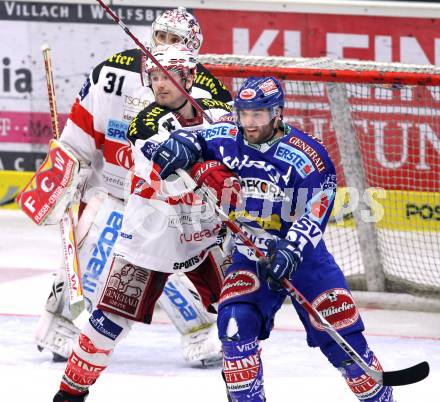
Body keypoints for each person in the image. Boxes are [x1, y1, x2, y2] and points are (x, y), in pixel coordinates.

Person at [151, 76, 395, 402]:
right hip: (250, 254)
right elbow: (187, 138)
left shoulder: (309, 156)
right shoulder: (227, 135)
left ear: (277, 113)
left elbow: (315, 211)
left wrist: (291, 250)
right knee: (235, 328)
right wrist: (178, 146)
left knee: (343, 341)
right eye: (244, 114)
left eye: (258, 115)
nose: (249, 123)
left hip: (302, 258)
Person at [35, 6, 232, 366]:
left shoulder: (208, 89)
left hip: (166, 202)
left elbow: (221, 148)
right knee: (88, 250)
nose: (165, 46)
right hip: (109, 188)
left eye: (176, 41)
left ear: (194, 48)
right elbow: (79, 132)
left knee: (175, 258)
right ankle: (60, 327)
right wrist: (68, 174)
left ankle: (203, 332)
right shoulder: (112, 72)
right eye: (161, 38)